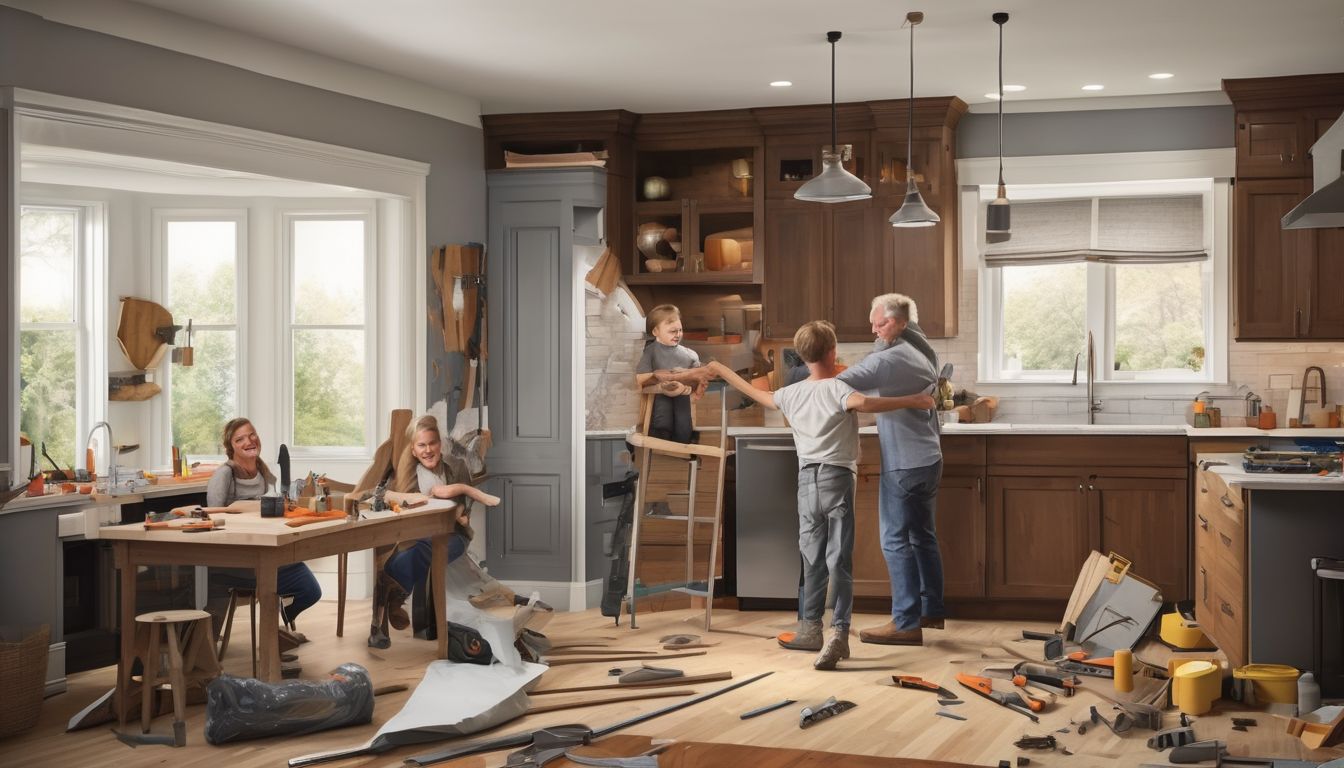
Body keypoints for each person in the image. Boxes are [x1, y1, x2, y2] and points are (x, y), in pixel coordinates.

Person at [706, 321, 934, 669]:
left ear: (801, 355)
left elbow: (759, 395)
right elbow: (866, 404)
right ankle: (839, 634)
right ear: (833, 352)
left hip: (806, 482)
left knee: (812, 558)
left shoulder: (791, 393)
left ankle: (809, 629)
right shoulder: (838, 387)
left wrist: (720, 368)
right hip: (837, 479)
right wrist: (915, 400)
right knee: (838, 559)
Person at [837, 293, 944, 647]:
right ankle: (930, 609)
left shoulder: (892, 358)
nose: (873, 329)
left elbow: (845, 382)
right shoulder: (917, 347)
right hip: (927, 458)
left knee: (895, 540)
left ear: (899, 323)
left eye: (880, 323)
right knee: (922, 536)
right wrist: (881, 340)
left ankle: (906, 623)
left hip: (905, 463)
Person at [372, 414, 501, 647]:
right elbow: (379, 494)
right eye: (422, 445)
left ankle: (395, 590)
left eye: (432, 443)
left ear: (440, 444)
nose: (428, 450)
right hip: (417, 534)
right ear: (413, 450)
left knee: (428, 547)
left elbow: (465, 505)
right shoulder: (406, 472)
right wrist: (410, 497)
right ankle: (394, 593)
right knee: (418, 546)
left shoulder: (456, 465)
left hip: (453, 535)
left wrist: (458, 509)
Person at [205, 417, 322, 650]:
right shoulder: (224, 474)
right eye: (240, 439)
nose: (249, 441)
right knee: (284, 579)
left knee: (310, 590)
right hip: (237, 557)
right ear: (232, 447)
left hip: (264, 549)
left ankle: (277, 632)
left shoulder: (263, 472)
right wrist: (250, 508)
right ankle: (272, 639)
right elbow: (212, 513)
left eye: (251, 435)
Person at [635, 304, 711, 444]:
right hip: (660, 394)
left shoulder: (690, 355)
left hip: (683, 395)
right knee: (662, 416)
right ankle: (661, 440)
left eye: (680, 330)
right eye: (672, 331)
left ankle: (685, 441)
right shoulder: (650, 352)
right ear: (656, 331)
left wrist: (695, 388)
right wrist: (660, 382)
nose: (678, 334)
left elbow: (699, 380)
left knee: (683, 422)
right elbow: (641, 378)